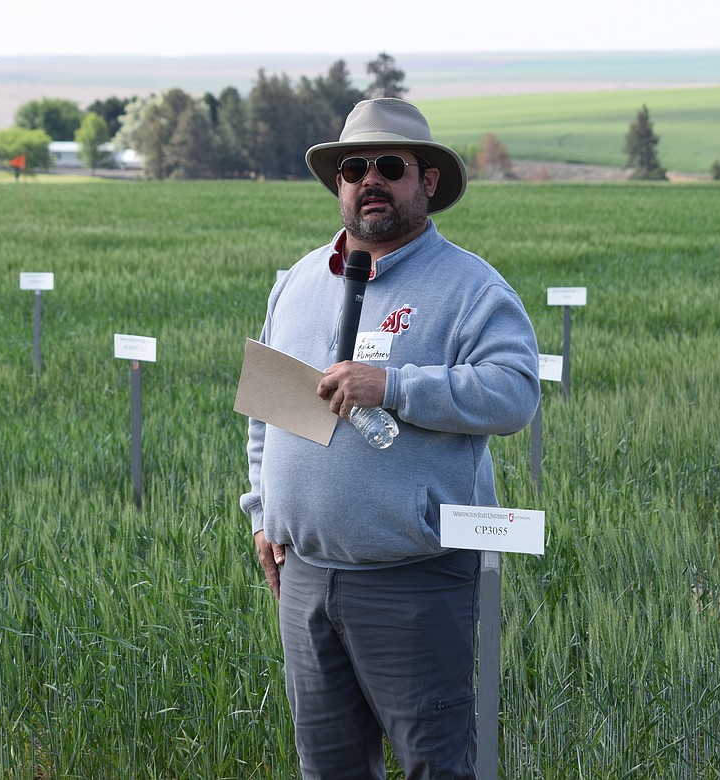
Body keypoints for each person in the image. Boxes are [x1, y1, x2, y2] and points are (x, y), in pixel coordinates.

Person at [240, 98, 541, 779]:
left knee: (435, 766)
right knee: (330, 769)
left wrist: (395, 385)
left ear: (427, 181)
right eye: (353, 167)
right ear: (338, 184)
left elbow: (515, 392)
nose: (368, 179)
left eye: (389, 166)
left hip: (415, 581)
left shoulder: (469, 286)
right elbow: (268, 412)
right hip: (306, 578)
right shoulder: (296, 281)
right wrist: (262, 514)